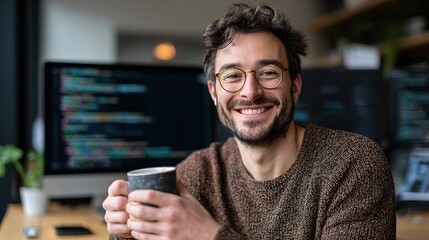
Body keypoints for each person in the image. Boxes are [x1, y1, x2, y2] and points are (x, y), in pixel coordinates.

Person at [103, 3, 396, 240]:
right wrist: (126, 231)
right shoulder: (199, 173)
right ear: (214, 92)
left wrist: (207, 235)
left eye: (268, 72)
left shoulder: (353, 164)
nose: (251, 91)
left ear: (295, 86)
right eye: (232, 76)